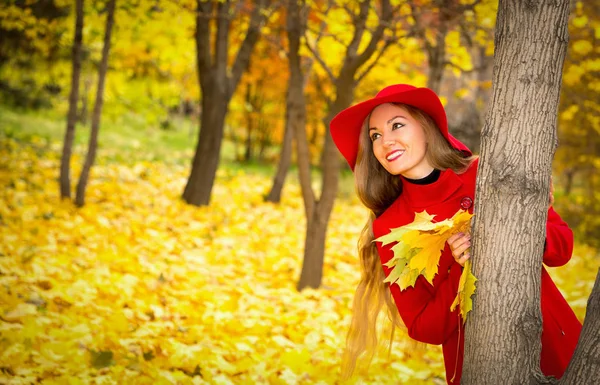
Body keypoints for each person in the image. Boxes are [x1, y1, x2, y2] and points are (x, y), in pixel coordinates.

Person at [330, 84, 582, 384]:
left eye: (397, 125)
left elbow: (562, 248)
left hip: (552, 338)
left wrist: (525, 233)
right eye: (375, 136)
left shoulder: (484, 174)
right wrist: (456, 268)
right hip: (479, 364)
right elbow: (424, 328)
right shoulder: (390, 227)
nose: (386, 141)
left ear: (427, 127)